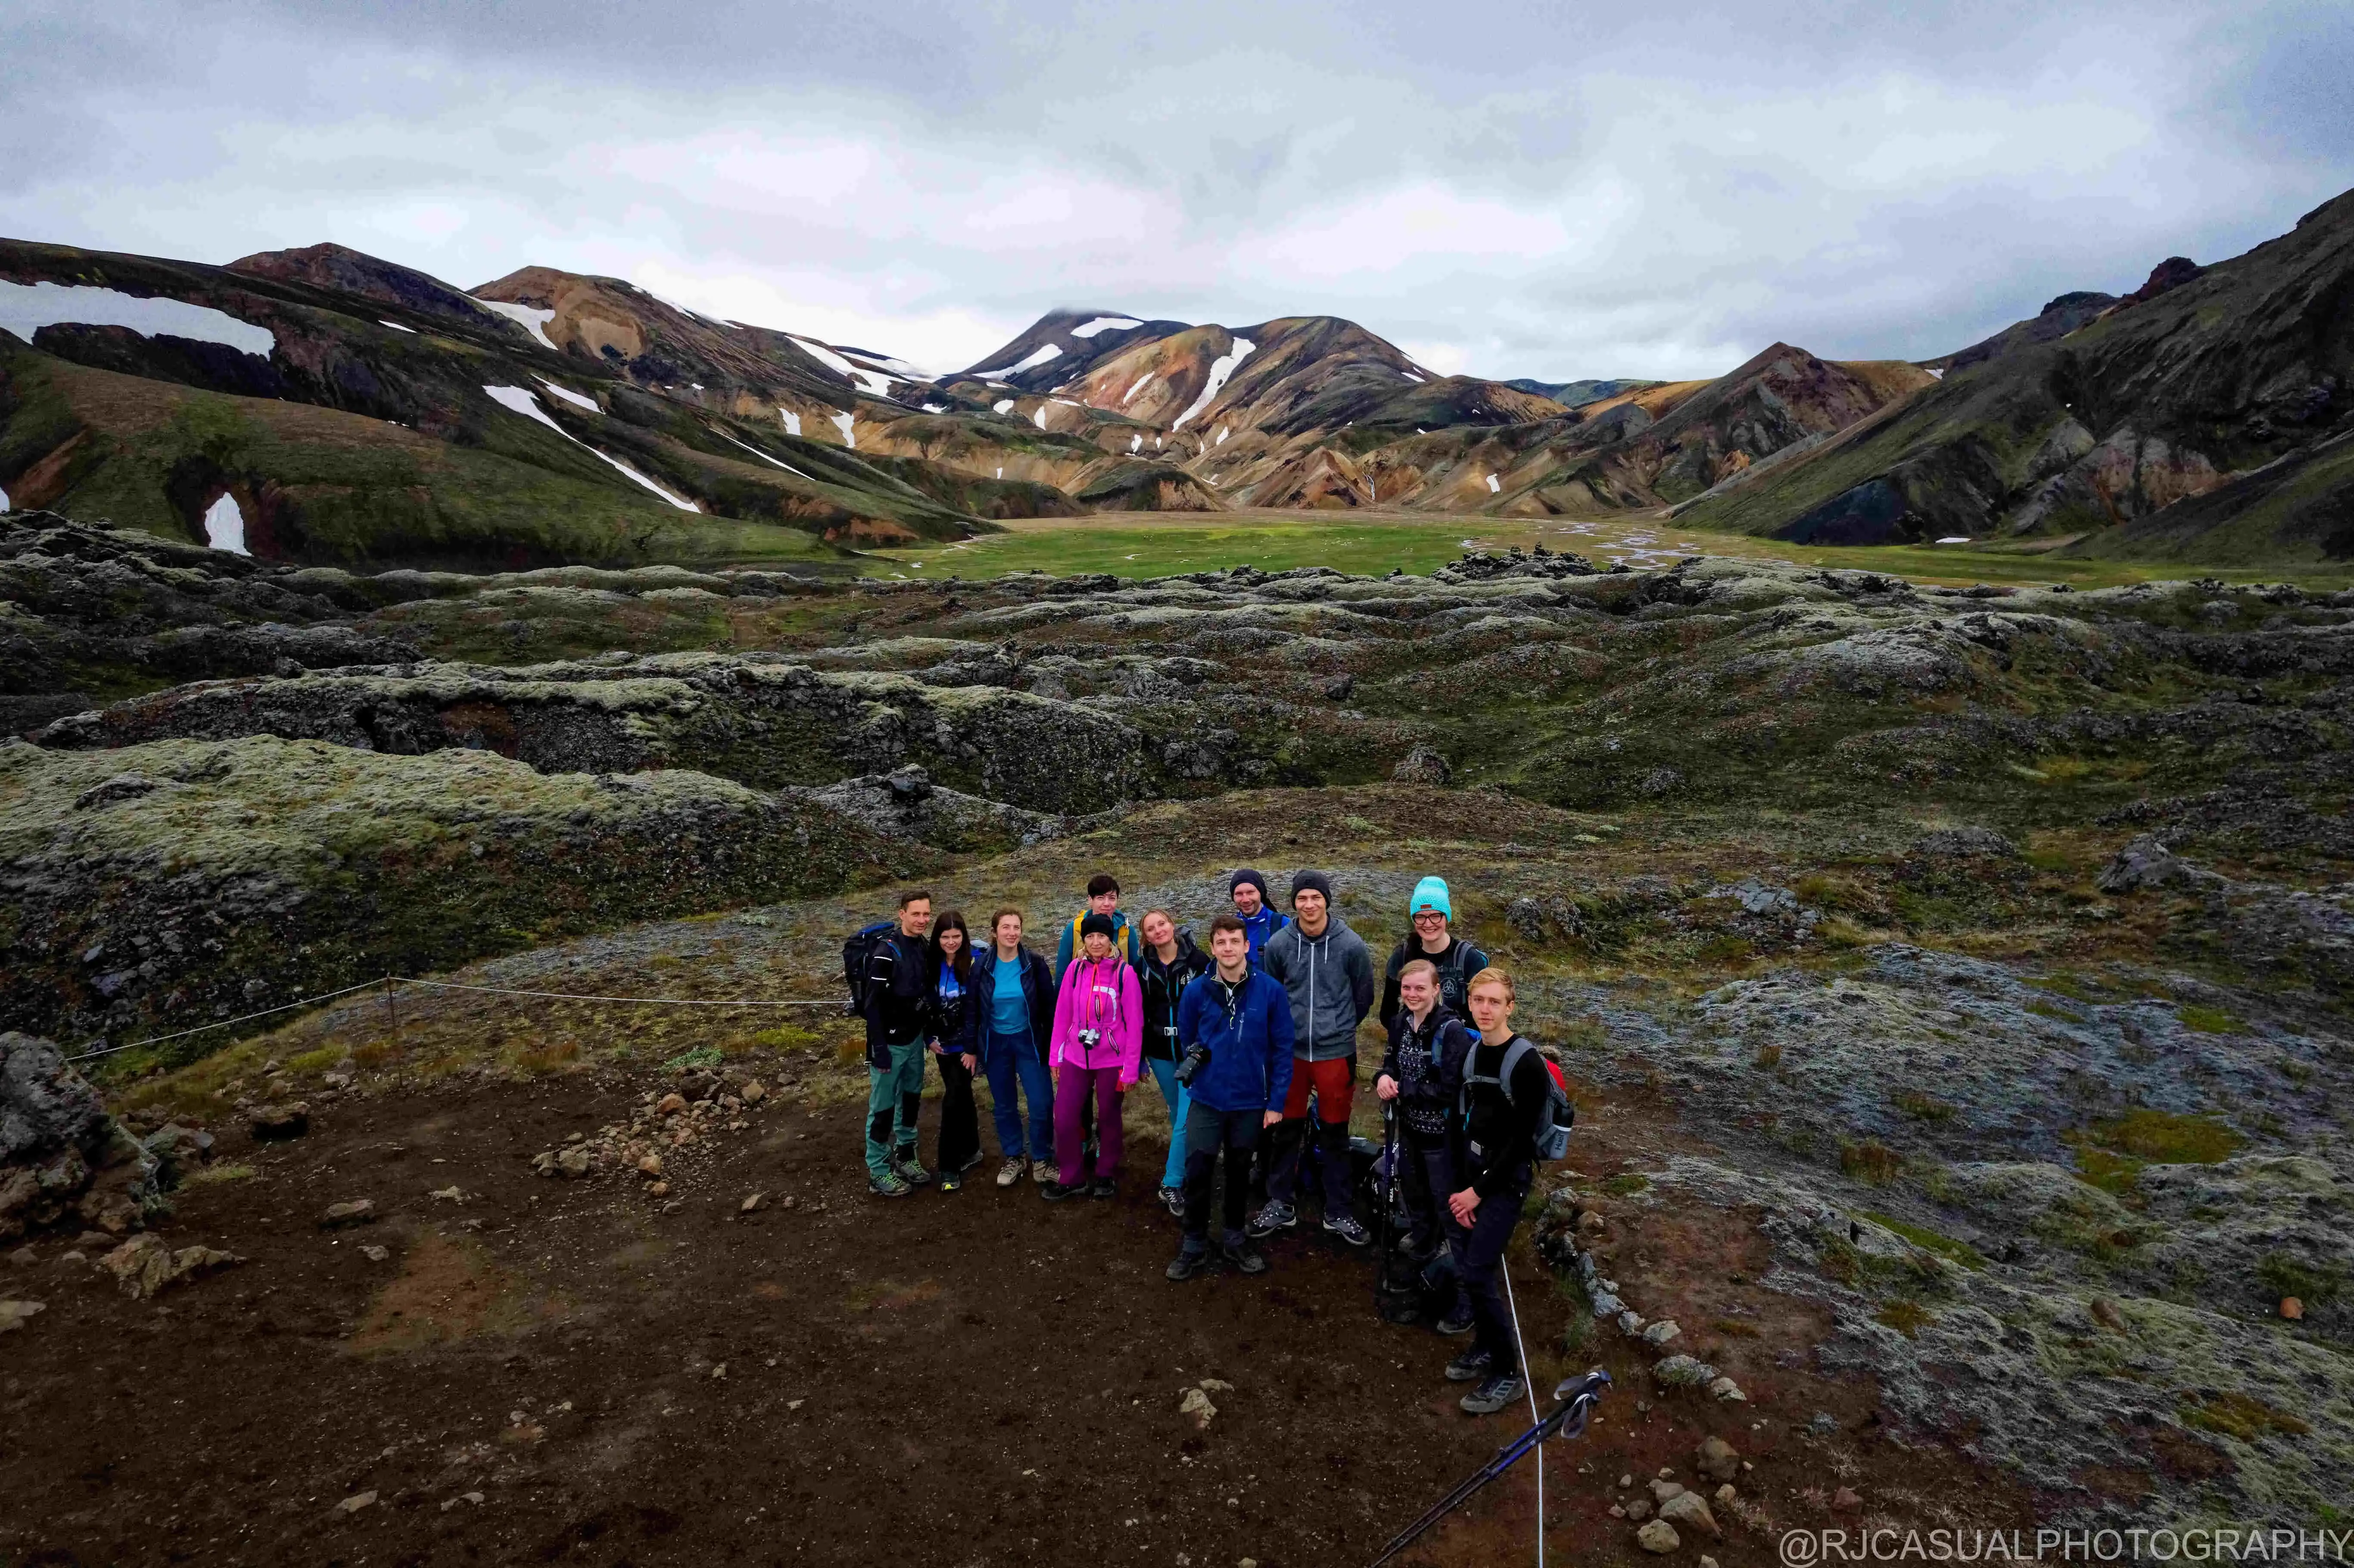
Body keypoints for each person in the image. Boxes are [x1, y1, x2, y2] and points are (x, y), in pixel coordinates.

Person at [1444, 966, 1556, 1416]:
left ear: (1510, 1006)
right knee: (1475, 1270)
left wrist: (1477, 1192)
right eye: (1478, 1001)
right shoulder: (1473, 1055)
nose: (1485, 1009)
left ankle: (1508, 1371)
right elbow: (1459, 1121)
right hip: (1474, 1178)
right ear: (1469, 1004)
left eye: (1494, 1001)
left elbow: (1521, 1142)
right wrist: (1461, 1187)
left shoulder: (1527, 1063)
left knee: (1476, 1271)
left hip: (1504, 1183)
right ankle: (1486, 1345)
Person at [1167, 914, 1295, 1280]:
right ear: (1213, 947)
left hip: (1250, 1101)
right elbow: (1188, 1037)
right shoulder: (1195, 992)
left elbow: (1283, 1048)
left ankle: (1235, 1237)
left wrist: (1276, 1102)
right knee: (1198, 1170)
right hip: (1207, 1098)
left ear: (1246, 946)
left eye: (1234, 941)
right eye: (1220, 942)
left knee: (1239, 1172)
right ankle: (1193, 1241)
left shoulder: (1270, 991)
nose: (1228, 948)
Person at [1253, 869, 1377, 1245]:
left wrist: (1337, 1028)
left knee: (1335, 1132)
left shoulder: (1351, 945)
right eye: (1302, 898)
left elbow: (1364, 996)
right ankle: (1281, 1202)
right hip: (1289, 1054)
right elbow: (1274, 993)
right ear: (1294, 902)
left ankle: (1338, 1209)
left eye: (1316, 898)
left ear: (1326, 901)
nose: (1309, 905)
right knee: (1284, 1129)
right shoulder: (1278, 944)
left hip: (1334, 1053)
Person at [1374, 958, 1477, 1335]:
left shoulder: (1453, 1032)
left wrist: (1403, 1090)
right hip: (1410, 1135)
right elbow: (1389, 1062)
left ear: (1437, 990)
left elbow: (1449, 1090)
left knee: (1451, 1216)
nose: (1412, 995)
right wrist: (1383, 1077)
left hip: (1444, 1143)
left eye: (1421, 988)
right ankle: (1423, 1274)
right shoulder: (1400, 1022)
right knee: (1417, 1208)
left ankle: (1468, 1299)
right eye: (1407, 988)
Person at [1044, 912, 1142, 1201]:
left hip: (1112, 1059)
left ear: (1110, 938)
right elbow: (1062, 1016)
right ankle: (1071, 1177)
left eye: (1102, 936)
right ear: (1084, 940)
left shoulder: (1125, 974)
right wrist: (1055, 1057)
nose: (1096, 942)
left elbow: (1135, 1024)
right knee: (1063, 1117)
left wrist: (1131, 1069)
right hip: (1075, 1056)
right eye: (1090, 937)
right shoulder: (1075, 970)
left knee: (1109, 1117)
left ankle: (1106, 1173)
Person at [971, 908, 1058, 1187]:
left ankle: (1042, 1159)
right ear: (994, 932)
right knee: (1005, 1105)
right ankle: (1014, 1157)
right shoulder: (981, 967)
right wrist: (970, 1048)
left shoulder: (1034, 963)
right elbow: (972, 1010)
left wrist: (1056, 1046)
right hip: (996, 1043)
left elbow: (1050, 1008)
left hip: (1029, 1040)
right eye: (1006, 927)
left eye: (1016, 927)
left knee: (1042, 1102)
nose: (1011, 933)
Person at [859, 889, 937, 1198]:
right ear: (902, 913)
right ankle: (878, 1171)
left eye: (926, 914)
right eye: (915, 914)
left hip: (914, 1040)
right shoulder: (885, 951)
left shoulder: (922, 946)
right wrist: (878, 1049)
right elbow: (872, 1005)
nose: (922, 920)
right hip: (889, 1045)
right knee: (882, 1109)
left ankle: (907, 1156)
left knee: (911, 1100)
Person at [1137, 907, 1211, 1215]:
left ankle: (1171, 1182)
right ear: (1147, 937)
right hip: (1158, 1052)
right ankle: (1190, 1159)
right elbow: (1137, 1011)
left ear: (1172, 924)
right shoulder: (1141, 967)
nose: (1158, 931)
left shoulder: (1200, 961)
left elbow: (1211, 1005)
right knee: (1176, 1111)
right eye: (1151, 928)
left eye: (1162, 924)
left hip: (1190, 1052)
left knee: (1185, 1116)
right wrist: (1139, 1057)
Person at [1377, 876, 1491, 1033]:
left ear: (1447, 917)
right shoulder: (1402, 956)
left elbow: (1485, 1012)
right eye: (1421, 917)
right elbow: (1388, 1014)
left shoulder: (1469, 959)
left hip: (1459, 1051)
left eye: (1435, 916)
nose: (1428, 924)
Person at [925, 911, 983, 1192]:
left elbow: (980, 1007)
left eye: (956, 937)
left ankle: (948, 1166)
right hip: (941, 1046)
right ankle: (972, 1149)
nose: (951, 942)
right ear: (937, 938)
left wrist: (973, 1049)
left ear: (965, 937)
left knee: (953, 1100)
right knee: (961, 1095)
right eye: (945, 937)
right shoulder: (930, 964)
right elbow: (923, 1002)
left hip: (967, 1048)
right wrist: (928, 1038)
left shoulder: (976, 962)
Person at [1053, 872, 1143, 978]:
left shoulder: (1127, 931)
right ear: (1090, 900)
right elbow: (1062, 973)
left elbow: (1137, 973)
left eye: (1112, 898)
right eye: (1101, 898)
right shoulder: (1074, 929)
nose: (1107, 904)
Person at [1227, 868, 1289, 961]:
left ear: (1261, 893)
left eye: (1251, 893)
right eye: (1239, 894)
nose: (1246, 900)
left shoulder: (1282, 925)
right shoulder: (1229, 928)